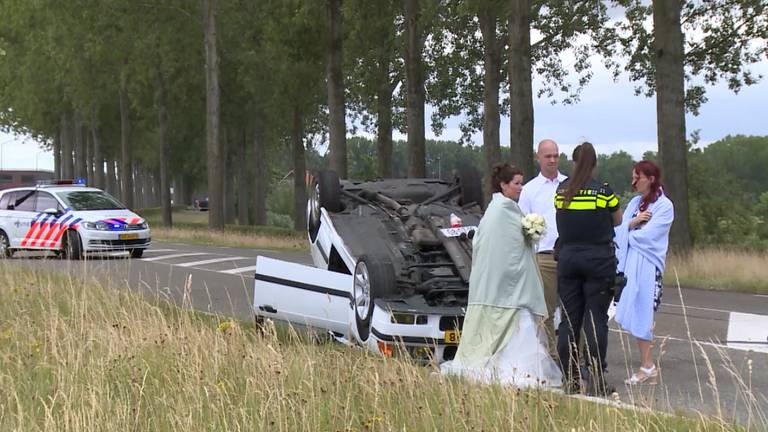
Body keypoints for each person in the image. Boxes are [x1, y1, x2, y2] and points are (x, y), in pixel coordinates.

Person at [441, 163, 562, 388]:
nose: (520, 187)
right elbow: (499, 250)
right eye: (516, 183)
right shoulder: (501, 212)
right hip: (506, 290)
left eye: (521, 183)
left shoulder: (506, 210)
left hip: (513, 288)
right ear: (503, 185)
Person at [554, 142, 622, 395]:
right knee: (595, 321)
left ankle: (569, 379)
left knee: (568, 322)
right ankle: (595, 380)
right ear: (594, 165)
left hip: (568, 259)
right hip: (598, 260)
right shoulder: (603, 192)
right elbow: (618, 219)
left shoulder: (561, 192)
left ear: (573, 163)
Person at [614, 161, 674, 385]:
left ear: (650, 178)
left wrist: (629, 233)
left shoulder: (664, 206)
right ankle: (647, 365)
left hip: (649, 266)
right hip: (631, 265)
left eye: (637, 177)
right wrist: (632, 223)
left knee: (644, 312)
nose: (633, 182)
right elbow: (617, 229)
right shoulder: (635, 203)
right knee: (635, 310)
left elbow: (650, 237)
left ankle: (647, 366)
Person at [519, 139, 568, 357]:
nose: (553, 160)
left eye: (556, 155)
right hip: (545, 256)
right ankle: (551, 355)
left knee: (571, 309)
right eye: (548, 156)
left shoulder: (570, 184)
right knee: (545, 310)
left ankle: (574, 354)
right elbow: (522, 225)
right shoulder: (529, 190)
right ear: (538, 157)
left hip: (569, 254)